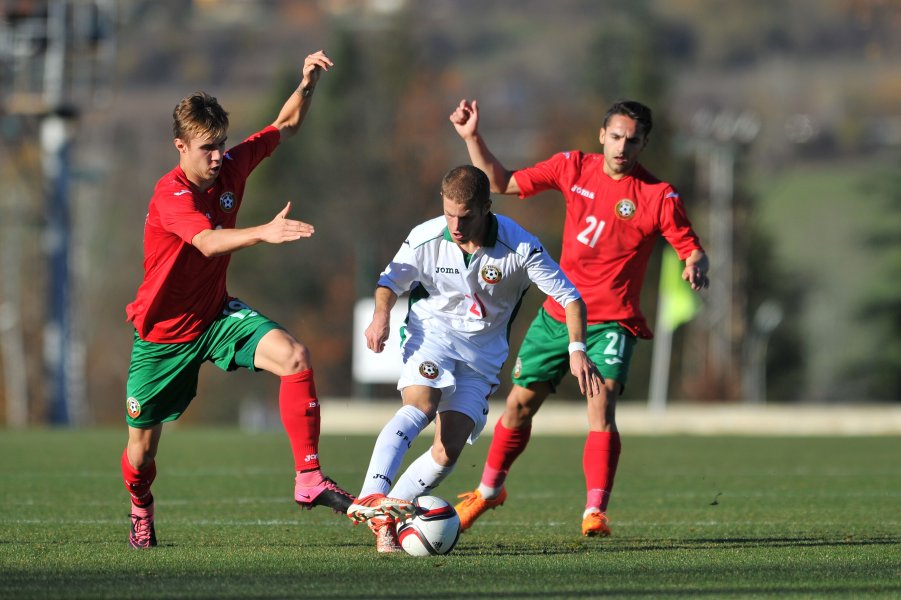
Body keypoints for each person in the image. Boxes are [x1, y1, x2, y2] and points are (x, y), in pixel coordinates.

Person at [121, 50, 354, 549]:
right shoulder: (171, 194)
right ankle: (141, 507)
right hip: (162, 338)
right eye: (206, 147)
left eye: (221, 145)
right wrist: (263, 232)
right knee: (141, 454)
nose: (216, 156)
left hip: (216, 316)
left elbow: (284, 125)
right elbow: (206, 241)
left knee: (294, 357)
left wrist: (306, 81)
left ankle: (308, 478)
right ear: (179, 145)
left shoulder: (229, 167)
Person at [448, 98, 710, 537]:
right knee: (518, 406)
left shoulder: (657, 195)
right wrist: (471, 136)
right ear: (602, 136)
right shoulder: (573, 167)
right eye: (616, 137)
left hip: (613, 321)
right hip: (558, 313)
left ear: (644, 143)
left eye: (632, 140)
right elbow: (503, 182)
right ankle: (489, 490)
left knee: (601, 402)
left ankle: (595, 511)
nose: (622, 147)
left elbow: (689, 244)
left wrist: (695, 262)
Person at [345, 165, 603, 552]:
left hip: (482, 356)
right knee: (422, 404)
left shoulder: (520, 247)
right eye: (449, 214)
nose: (455, 224)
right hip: (431, 334)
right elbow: (389, 282)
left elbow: (570, 297)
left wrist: (577, 349)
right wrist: (381, 316)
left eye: (465, 216)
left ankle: (388, 515)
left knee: (448, 451)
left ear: (486, 208)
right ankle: (371, 495)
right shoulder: (426, 237)